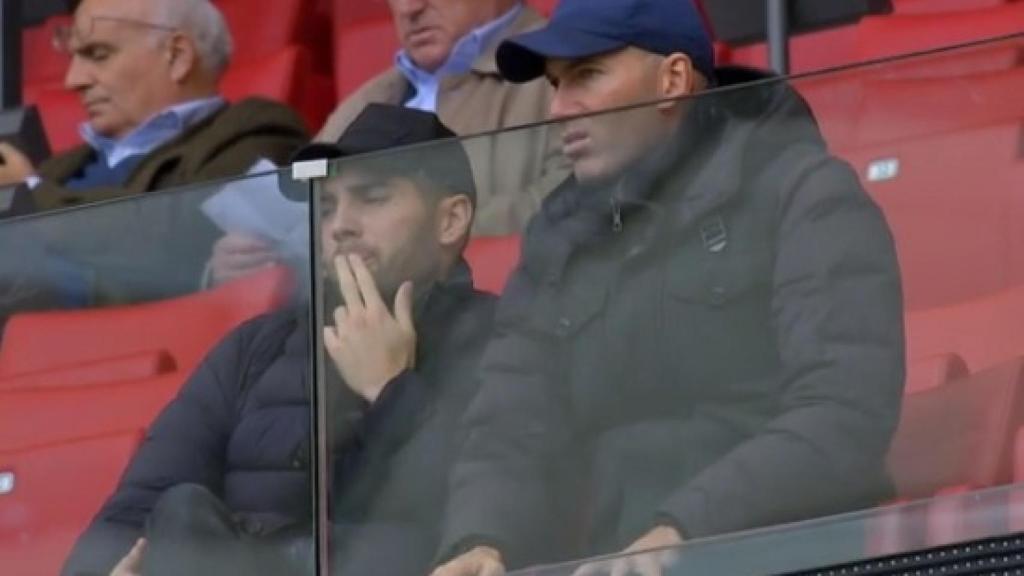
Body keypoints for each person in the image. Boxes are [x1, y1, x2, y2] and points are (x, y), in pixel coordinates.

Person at [431, 0, 906, 574]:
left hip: (773, 553)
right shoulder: (557, 235)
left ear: (672, 80)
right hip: (608, 559)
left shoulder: (802, 193)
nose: (558, 109)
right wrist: (482, 539)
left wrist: (687, 527)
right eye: (555, 85)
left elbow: (843, 413)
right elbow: (510, 419)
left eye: (587, 75)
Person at [60, 105, 496, 576]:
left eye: (372, 197)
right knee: (181, 512)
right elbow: (134, 508)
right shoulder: (255, 348)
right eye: (326, 207)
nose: (340, 225)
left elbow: (490, 512)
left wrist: (390, 389)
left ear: (450, 220)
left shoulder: (506, 337)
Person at [208, 0, 566, 287]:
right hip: (341, 330)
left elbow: (576, 202)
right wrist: (245, 263)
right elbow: (301, 220)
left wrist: (405, 241)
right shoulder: (362, 101)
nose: (409, 8)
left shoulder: (567, 71)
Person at [0, 0, 307, 216]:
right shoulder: (59, 166)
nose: (72, 80)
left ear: (177, 56)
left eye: (98, 54)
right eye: (73, 59)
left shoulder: (256, 130)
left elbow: (185, 238)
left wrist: (30, 193)